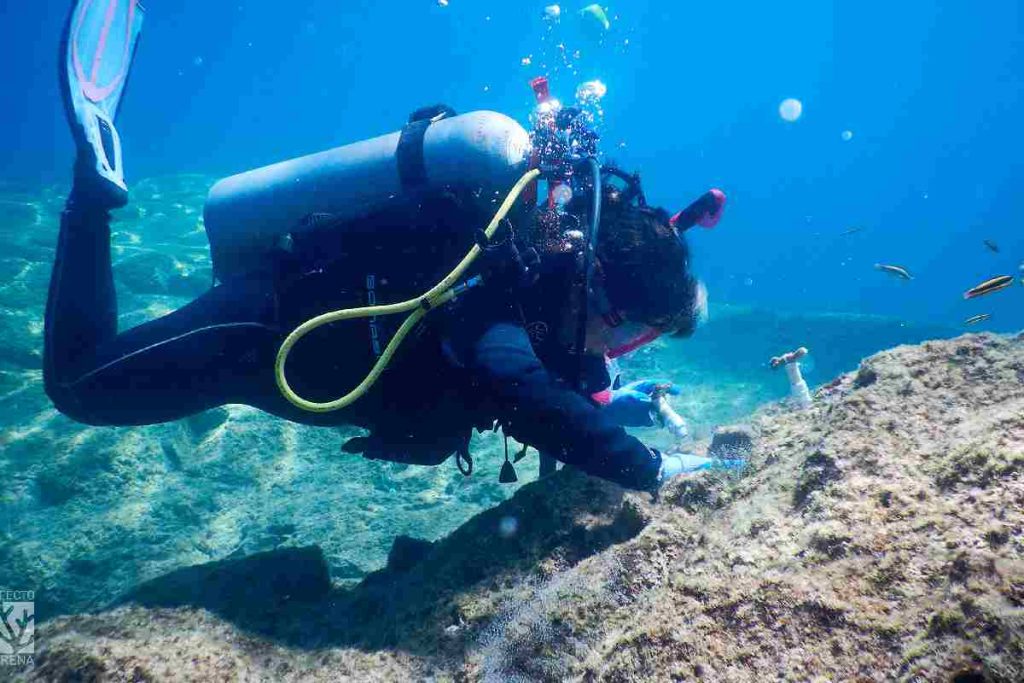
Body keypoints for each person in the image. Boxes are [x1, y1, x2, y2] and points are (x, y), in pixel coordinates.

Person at [46, 0, 723, 493]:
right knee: (79, 386)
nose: (628, 348)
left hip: (288, 346)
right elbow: (520, 386)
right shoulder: (504, 289)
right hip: (256, 330)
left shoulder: (547, 282)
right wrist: (651, 467)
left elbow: (562, 386)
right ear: (604, 296)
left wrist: (616, 402)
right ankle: (90, 194)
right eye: (634, 334)